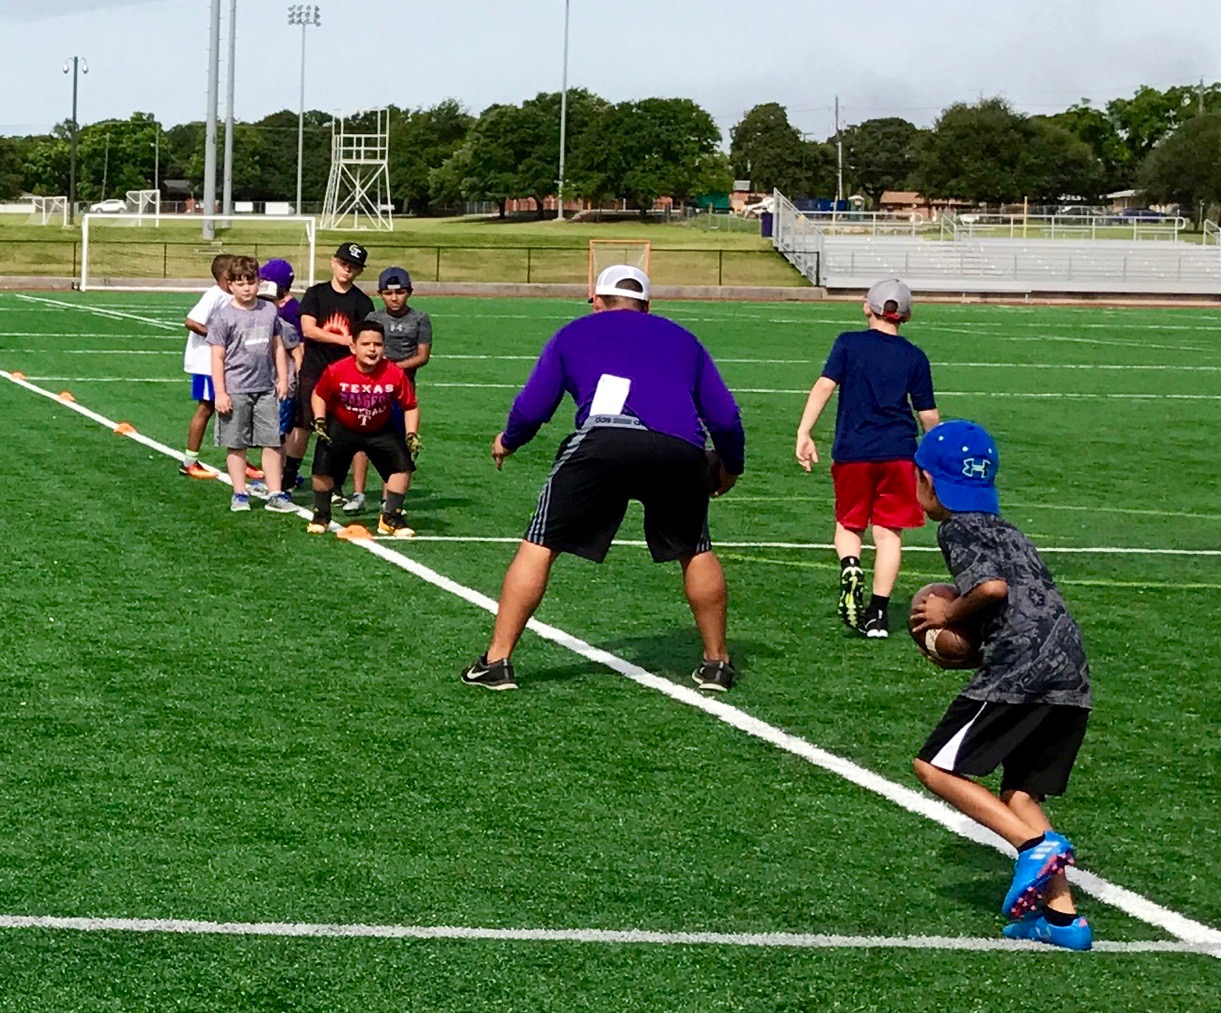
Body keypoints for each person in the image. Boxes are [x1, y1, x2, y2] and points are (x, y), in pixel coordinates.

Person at [461, 265, 746, 693]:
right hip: (678, 449)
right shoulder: (684, 340)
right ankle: (716, 662)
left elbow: (534, 405)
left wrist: (509, 439)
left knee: (540, 544)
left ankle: (498, 660)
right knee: (695, 548)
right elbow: (724, 415)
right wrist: (730, 465)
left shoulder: (573, 334)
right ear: (647, 306)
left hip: (604, 442)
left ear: (596, 301)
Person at [910, 419, 1092, 952]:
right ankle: (1064, 923)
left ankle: (1031, 846)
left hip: (1020, 669)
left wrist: (948, 614)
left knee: (933, 766)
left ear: (925, 480)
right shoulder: (1009, 529)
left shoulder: (957, 528)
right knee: (1019, 792)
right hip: (1070, 671)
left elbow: (991, 588)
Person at [794, 278, 940, 638]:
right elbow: (928, 415)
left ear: (867, 307)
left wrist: (804, 431)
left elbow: (825, 386)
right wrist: (934, 454)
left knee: (849, 524)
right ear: (906, 316)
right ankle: (877, 613)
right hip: (899, 452)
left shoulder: (848, 343)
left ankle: (851, 565)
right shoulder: (914, 356)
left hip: (854, 452)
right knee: (889, 533)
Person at [306, 319, 419, 538]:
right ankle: (321, 515)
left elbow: (411, 405)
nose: (372, 349)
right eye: (366, 344)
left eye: (377, 344)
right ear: (353, 347)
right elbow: (319, 394)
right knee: (322, 466)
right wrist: (320, 419)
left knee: (402, 466)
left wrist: (411, 433)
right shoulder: (337, 370)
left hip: (379, 426)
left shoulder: (394, 373)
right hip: (343, 424)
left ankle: (391, 518)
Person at [285, 241, 376, 495]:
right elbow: (309, 330)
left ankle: (333, 482)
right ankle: (289, 477)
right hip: (314, 370)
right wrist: (345, 340)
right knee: (303, 424)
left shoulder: (362, 302)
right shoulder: (316, 294)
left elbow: (366, 337)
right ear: (334, 262)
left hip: (345, 374)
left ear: (359, 271)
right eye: (344, 263)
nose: (347, 269)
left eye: (354, 266)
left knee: (340, 429)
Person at [205, 256, 294, 513]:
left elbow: (277, 346)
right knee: (237, 442)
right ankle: (240, 493)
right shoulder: (223, 317)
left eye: (251, 282)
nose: (246, 288)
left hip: (266, 388)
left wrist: (283, 377)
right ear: (230, 285)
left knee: (273, 441)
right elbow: (217, 356)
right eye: (240, 283)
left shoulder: (268, 311)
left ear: (259, 283)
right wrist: (220, 392)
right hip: (236, 389)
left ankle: (275, 492)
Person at [346, 266, 431, 513]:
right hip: (371, 391)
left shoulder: (420, 319)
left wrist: (392, 371)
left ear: (409, 293)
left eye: (400, 292)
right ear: (380, 293)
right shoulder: (374, 319)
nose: (394, 298)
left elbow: (422, 355)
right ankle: (358, 493)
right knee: (361, 442)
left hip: (401, 391)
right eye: (388, 293)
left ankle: (388, 499)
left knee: (396, 444)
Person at [179, 253, 233, 479]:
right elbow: (191, 321)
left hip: (223, 362)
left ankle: (238, 458)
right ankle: (189, 461)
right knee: (207, 407)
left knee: (235, 408)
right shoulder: (215, 294)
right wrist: (216, 337)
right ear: (225, 276)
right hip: (206, 363)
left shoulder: (230, 296)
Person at [257, 259, 305, 480]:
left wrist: (295, 377)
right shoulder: (268, 306)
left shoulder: (291, 312)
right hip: (266, 377)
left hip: (282, 380)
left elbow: (298, 350)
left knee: (278, 433)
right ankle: (276, 474)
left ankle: (281, 476)